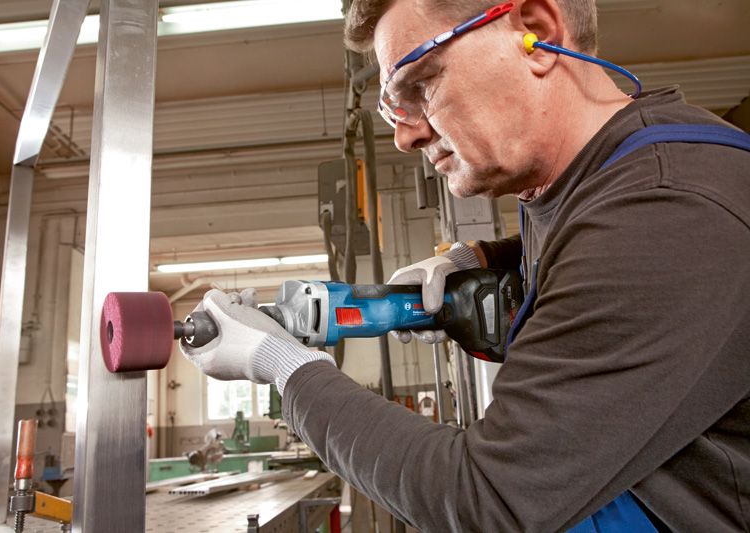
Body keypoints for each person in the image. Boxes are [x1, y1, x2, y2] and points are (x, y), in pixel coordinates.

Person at [180, 0, 750, 530]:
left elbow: (487, 500)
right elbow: (587, 250)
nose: (404, 135)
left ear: (539, 32)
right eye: (391, 106)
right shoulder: (597, 179)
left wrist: (284, 367)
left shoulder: (666, 207)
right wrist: (476, 258)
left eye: (421, 84)